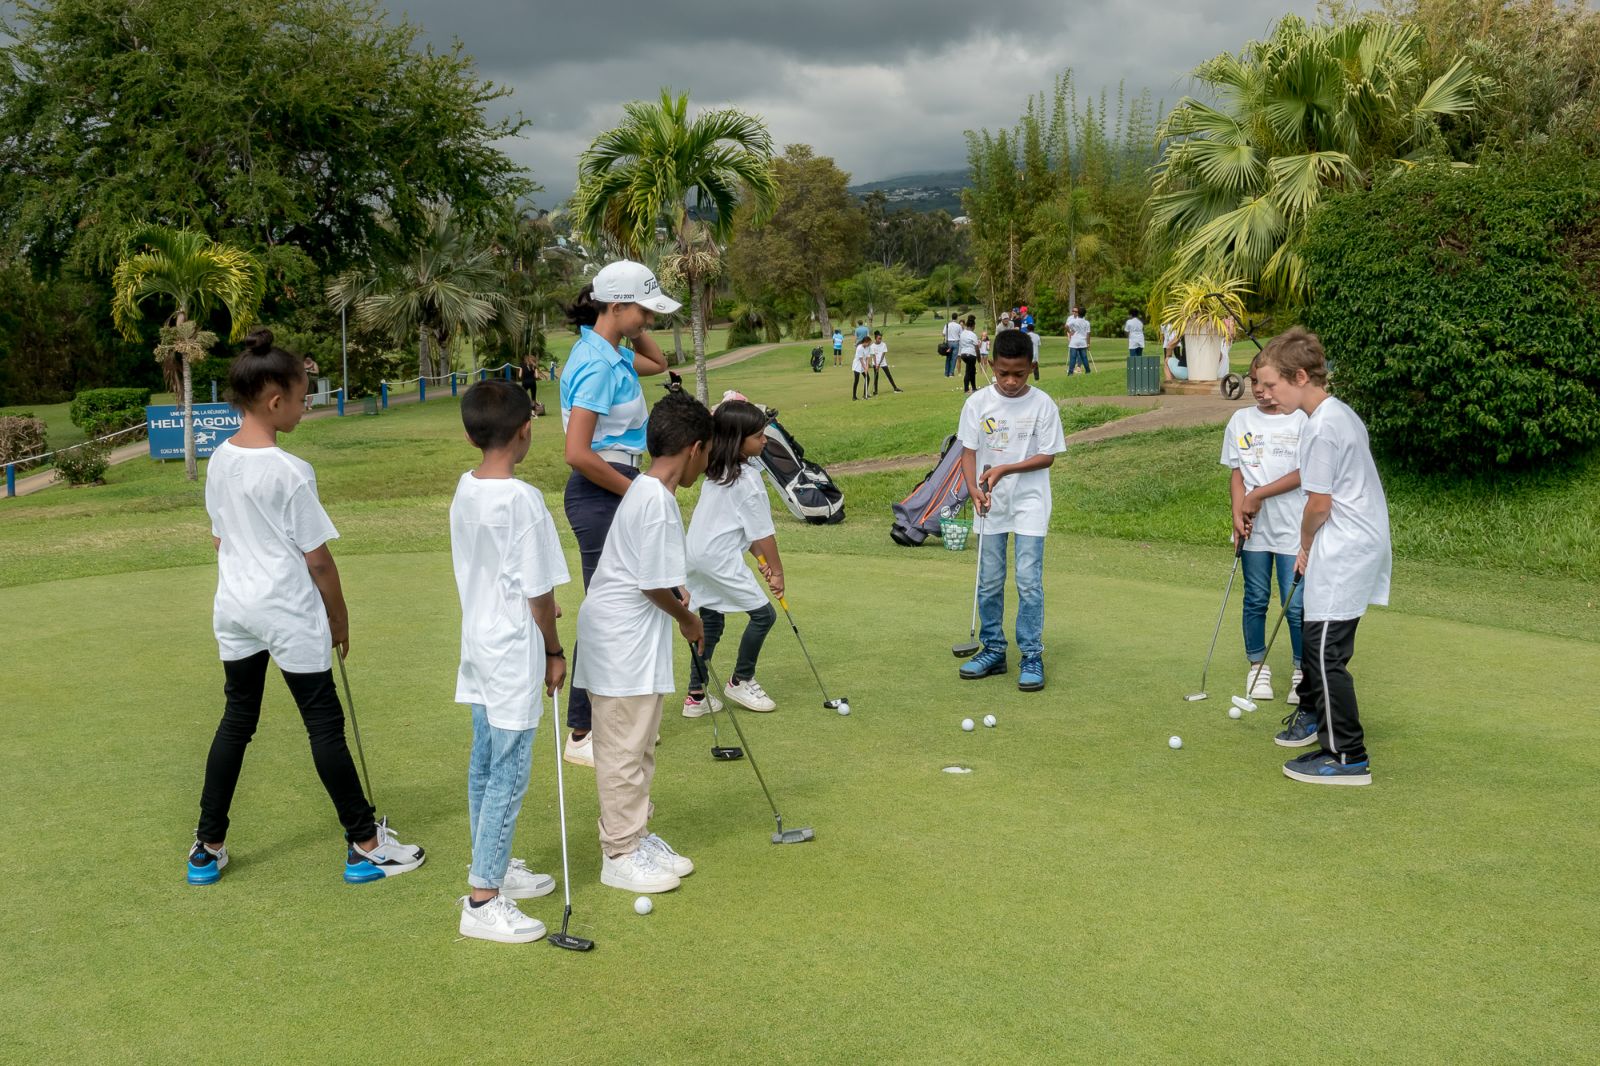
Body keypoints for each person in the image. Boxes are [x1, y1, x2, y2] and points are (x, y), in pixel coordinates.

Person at [187, 329, 425, 887]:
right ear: (275, 402)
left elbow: (220, 538)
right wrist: (339, 618)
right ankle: (366, 844)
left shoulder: (219, 459)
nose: (305, 405)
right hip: (288, 610)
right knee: (323, 724)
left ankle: (207, 845)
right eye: (301, 396)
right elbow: (318, 562)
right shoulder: (291, 470)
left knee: (237, 720)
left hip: (236, 607)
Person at [572, 389, 713, 892]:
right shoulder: (653, 498)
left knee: (640, 744)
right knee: (623, 750)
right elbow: (651, 584)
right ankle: (619, 852)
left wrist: (677, 598)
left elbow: (653, 570)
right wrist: (688, 620)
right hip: (619, 642)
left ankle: (636, 833)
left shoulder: (652, 492)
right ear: (695, 448)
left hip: (632, 640)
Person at [450, 380, 570, 943]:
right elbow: (540, 594)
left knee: (484, 762)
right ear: (525, 430)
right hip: (513, 649)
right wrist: (553, 647)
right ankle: (482, 898)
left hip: (478, 642)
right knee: (509, 768)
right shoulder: (523, 499)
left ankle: (490, 869)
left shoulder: (465, 487)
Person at [1251, 328, 1391, 786]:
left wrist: (1305, 545)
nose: (1266, 395)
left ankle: (1348, 757)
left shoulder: (1323, 428)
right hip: (1350, 542)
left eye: (1272, 385)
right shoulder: (1333, 415)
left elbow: (1319, 504)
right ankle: (1322, 728)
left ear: (1302, 376)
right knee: (1322, 644)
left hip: (1345, 545)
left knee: (1325, 651)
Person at [559, 260, 676, 769]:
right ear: (616, 305)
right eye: (643, 310)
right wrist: (634, 494)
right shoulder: (595, 363)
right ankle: (582, 731)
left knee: (612, 607)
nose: (650, 320)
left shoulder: (611, 354)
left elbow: (661, 363)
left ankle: (597, 721)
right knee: (605, 611)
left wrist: (627, 328)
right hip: (601, 488)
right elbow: (576, 452)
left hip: (615, 485)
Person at [956, 330, 1067, 692]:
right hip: (990, 503)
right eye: (1003, 373)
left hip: (1030, 502)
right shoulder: (977, 404)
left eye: (1019, 374)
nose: (1010, 381)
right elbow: (968, 451)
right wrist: (973, 488)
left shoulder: (1043, 404)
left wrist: (1005, 469)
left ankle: (1032, 653)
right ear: (990, 365)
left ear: (1032, 367)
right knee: (989, 581)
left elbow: (1047, 456)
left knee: (1028, 582)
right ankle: (993, 650)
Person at [683, 397, 784, 716]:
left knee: (710, 622)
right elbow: (763, 533)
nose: (764, 440)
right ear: (737, 441)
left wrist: (761, 561)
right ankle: (741, 679)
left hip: (695, 558)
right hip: (718, 560)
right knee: (764, 615)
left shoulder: (716, 472)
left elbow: (743, 529)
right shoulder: (748, 479)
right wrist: (777, 572)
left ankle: (695, 698)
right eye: (758, 436)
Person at [1222, 356, 1306, 707]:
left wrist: (1258, 495)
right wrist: (1238, 512)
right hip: (1254, 530)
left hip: (1293, 529)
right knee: (1255, 598)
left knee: (1296, 604)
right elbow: (1238, 472)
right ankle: (1257, 666)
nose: (1259, 390)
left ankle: (1304, 671)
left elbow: (1305, 473)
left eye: (1267, 383)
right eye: (1253, 381)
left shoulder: (1301, 419)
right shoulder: (1240, 420)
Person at [871, 330, 902, 394]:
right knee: (876, 377)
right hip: (875, 363)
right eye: (879, 338)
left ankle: (895, 388)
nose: (880, 340)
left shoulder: (883, 344)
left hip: (883, 362)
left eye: (881, 338)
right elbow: (873, 356)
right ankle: (875, 391)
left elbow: (883, 354)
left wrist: (879, 363)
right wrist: (876, 364)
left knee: (888, 375)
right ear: (875, 338)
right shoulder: (872, 346)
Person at [1066, 307, 1092, 375]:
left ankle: (1070, 373)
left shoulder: (1074, 320)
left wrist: (1070, 332)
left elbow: (1066, 326)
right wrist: (1088, 344)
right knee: (1084, 358)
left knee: (1073, 358)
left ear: (1078, 313)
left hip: (1074, 342)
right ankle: (1088, 371)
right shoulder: (1087, 322)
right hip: (1083, 342)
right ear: (1084, 314)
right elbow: (1088, 334)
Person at [958, 314, 980, 393]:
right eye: (974, 326)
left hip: (963, 354)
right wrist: (979, 358)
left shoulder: (962, 333)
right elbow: (977, 348)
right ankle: (966, 389)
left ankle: (974, 388)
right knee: (969, 371)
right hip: (971, 355)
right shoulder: (973, 335)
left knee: (972, 370)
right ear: (973, 325)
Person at [851, 333, 874, 400]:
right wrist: (865, 367)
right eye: (869, 343)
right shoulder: (859, 348)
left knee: (868, 378)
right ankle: (854, 396)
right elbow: (860, 359)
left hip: (864, 363)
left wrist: (867, 366)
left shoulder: (868, 347)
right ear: (865, 342)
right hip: (857, 365)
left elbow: (868, 358)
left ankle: (865, 394)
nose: (869, 344)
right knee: (856, 380)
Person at [942, 314, 962, 378]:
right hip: (956, 342)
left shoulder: (947, 325)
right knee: (954, 359)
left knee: (948, 358)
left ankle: (946, 373)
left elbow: (943, 334)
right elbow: (961, 335)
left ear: (952, 317)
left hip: (948, 343)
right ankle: (951, 373)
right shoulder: (958, 326)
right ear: (957, 318)